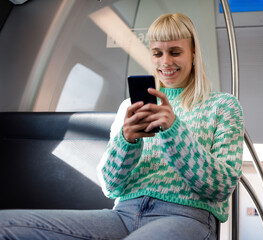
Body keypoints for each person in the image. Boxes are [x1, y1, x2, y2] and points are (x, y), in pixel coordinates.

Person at [0, 13, 244, 240]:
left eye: (175, 52)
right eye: (157, 53)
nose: (165, 61)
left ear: (193, 54)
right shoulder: (129, 107)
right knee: (5, 224)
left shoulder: (222, 106)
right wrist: (126, 141)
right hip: (123, 214)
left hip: (185, 216)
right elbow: (109, 185)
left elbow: (220, 187)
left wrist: (174, 130)